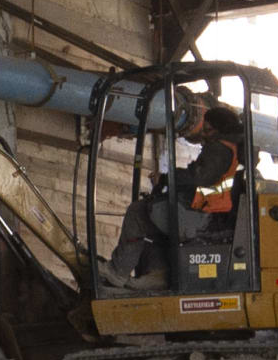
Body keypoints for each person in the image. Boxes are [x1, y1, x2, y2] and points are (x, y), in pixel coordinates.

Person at [107, 101, 252, 285]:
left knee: (138, 213)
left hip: (201, 215)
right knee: (155, 221)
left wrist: (166, 179)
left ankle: (118, 272)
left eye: (207, 130)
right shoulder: (232, 148)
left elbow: (197, 178)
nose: (204, 135)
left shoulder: (219, 148)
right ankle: (158, 277)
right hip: (210, 213)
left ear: (218, 129)